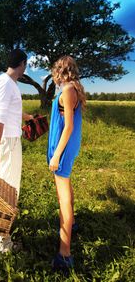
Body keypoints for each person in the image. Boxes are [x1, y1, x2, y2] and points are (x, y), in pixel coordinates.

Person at [0, 49, 33, 253]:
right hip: (6, 142)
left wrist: (28, 118)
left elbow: (10, 110)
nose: (26, 68)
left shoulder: (8, 83)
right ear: (22, 63)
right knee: (7, 192)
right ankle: (2, 243)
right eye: (26, 64)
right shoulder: (6, 84)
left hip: (6, 140)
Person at [47, 55, 86, 272]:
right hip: (66, 146)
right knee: (66, 190)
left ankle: (65, 254)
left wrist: (56, 156)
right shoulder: (72, 88)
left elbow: (68, 127)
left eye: (55, 71)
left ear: (60, 70)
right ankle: (71, 225)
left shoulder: (68, 90)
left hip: (64, 148)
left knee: (63, 199)